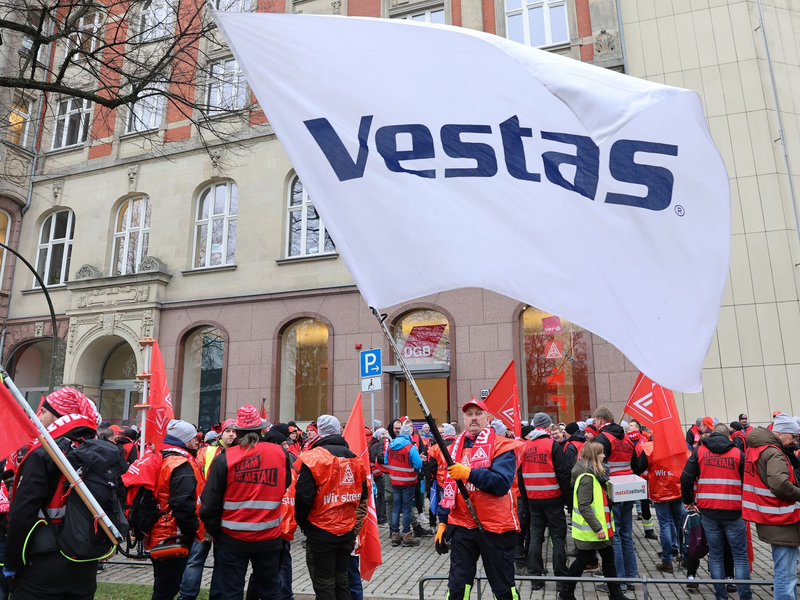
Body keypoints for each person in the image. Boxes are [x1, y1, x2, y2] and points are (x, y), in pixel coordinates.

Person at [3, 388, 109, 600]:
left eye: (43, 411)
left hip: (44, 562)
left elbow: (22, 515)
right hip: (85, 564)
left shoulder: (43, 453)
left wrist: (12, 565)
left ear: (58, 414)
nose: (38, 416)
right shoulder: (100, 451)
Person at [435, 398, 525, 600]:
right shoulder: (452, 450)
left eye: (478, 413)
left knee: (503, 589)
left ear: (488, 418)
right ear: (464, 419)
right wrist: (442, 522)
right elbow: (446, 489)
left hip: (496, 528)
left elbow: (501, 484)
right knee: (457, 589)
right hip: (462, 526)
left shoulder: (503, 447)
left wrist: (469, 473)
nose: (473, 418)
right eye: (469, 414)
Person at [200, 405, 291, 600]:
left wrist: (216, 532)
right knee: (270, 592)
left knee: (230, 593)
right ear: (261, 428)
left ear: (238, 430)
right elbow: (285, 484)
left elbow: (209, 504)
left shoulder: (225, 458)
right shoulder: (279, 454)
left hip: (232, 539)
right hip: (269, 537)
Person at [294, 415, 368, 600]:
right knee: (342, 579)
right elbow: (363, 494)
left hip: (320, 530)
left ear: (319, 431)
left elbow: (303, 496)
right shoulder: (356, 459)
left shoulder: (313, 458)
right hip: (347, 530)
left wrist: (302, 522)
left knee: (324, 582)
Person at [681, 423, 750, 600]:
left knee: (716, 555)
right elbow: (748, 481)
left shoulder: (701, 452)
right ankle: (745, 596)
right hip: (734, 511)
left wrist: (688, 501)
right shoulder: (738, 453)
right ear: (729, 437)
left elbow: (686, 477)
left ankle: (720, 596)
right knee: (740, 557)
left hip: (709, 511)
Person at [559, 442, 631, 600]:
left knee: (608, 559)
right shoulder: (588, 478)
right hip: (593, 530)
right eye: (601, 453)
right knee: (583, 560)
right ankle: (566, 592)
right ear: (593, 456)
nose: (604, 456)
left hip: (598, 529)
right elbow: (584, 506)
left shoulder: (591, 474)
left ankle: (615, 593)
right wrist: (598, 528)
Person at [142, 420, 205, 600]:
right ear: (185, 440)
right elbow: (183, 504)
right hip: (172, 534)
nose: (197, 440)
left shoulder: (162, 456)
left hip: (159, 530)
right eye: (194, 437)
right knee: (167, 588)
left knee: (163, 584)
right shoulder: (180, 464)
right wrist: (191, 530)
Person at [742, 413, 800, 600]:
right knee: (786, 574)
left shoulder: (757, 447)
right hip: (783, 520)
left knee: (784, 571)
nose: (795, 441)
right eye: (794, 436)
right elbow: (780, 485)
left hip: (770, 515)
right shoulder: (774, 452)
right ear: (782, 433)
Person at [178, 418, 237, 600]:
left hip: (226, 515)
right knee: (196, 559)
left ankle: (217, 596)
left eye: (235, 432)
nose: (231, 435)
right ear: (221, 433)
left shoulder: (240, 455)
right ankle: (187, 596)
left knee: (222, 561)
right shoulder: (206, 452)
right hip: (204, 513)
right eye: (228, 431)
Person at [593, 406, 645, 590]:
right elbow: (637, 464)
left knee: (614, 537)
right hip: (628, 490)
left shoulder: (602, 438)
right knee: (626, 536)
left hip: (611, 492)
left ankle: (618, 582)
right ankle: (630, 578)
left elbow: (598, 468)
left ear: (599, 420)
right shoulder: (628, 439)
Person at [519, 412, 570, 590]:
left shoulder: (524, 446)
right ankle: (562, 580)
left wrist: (525, 501)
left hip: (533, 500)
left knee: (535, 538)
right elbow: (563, 474)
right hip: (553, 499)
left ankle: (535, 579)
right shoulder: (552, 445)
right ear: (548, 426)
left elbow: (520, 476)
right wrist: (568, 500)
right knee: (557, 538)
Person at [386, 421, 423, 547]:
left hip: (394, 480)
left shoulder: (391, 445)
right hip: (408, 481)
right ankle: (407, 534)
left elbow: (386, 460)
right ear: (410, 434)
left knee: (396, 507)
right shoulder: (410, 447)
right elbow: (418, 464)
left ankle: (395, 534)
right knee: (407, 508)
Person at [627, 420, 657, 541]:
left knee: (645, 504)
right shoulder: (625, 440)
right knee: (627, 505)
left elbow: (645, 460)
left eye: (632, 426)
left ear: (638, 429)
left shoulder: (644, 442)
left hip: (642, 477)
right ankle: (627, 532)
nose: (629, 427)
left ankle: (648, 530)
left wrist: (637, 471)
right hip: (628, 476)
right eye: (629, 425)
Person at [368, 428, 390, 525]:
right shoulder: (375, 446)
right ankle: (383, 518)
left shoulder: (378, 445)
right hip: (378, 473)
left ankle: (380, 517)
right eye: (383, 433)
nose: (385, 434)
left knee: (381, 496)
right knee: (383, 496)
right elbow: (373, 459)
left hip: (379, 473)